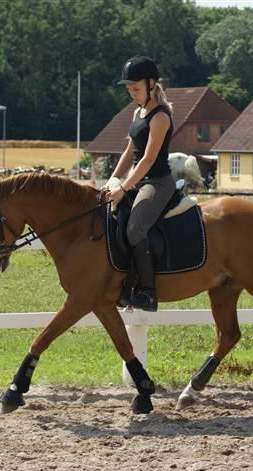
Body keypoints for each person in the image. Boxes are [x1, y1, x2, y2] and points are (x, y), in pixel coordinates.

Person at [106, 55, 175, 312]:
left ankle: (148, 293)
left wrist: (124, 188)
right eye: (128, 90)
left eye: (135, 89)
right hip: (136, 180)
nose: (131, 94)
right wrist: (112, 179)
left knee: (135, 229)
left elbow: (146, 160)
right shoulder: (138, 111)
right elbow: (129, 152)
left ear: (151, 84)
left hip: (157, 183)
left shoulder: (160, 117)